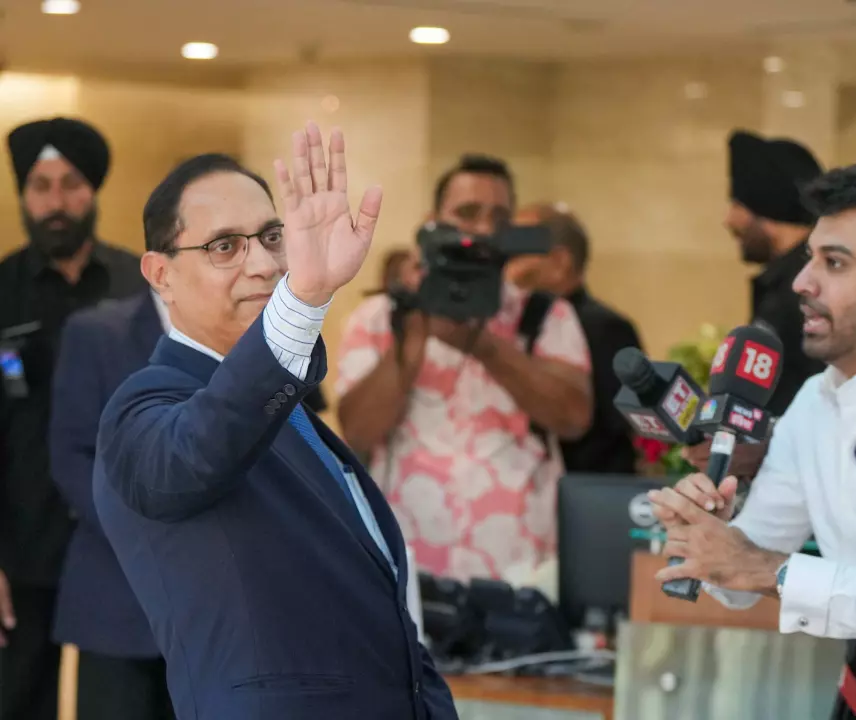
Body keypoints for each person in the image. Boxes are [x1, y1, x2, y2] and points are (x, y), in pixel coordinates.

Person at [93, 133, 457, 720]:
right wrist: (304, 301)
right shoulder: (146, 408)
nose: (264, 265)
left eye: (270, 237)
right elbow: (202, 447)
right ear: (161, 274)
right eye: (224, 246)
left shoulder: (287, 410)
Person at [648, 162, 856, 715]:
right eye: (809, 257)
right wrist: (709, 535)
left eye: (834, 263)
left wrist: (770, 570)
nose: (802, 282)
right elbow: (741, 577)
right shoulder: (814, 398)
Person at [335, 154, 591, 583]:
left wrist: (482, 344)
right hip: (408, 566)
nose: (484, 229)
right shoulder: (380, 317)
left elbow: (573, 417)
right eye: (467, 213)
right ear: (431, 223)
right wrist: (413, 335)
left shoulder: (547, 315)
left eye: (499, 218)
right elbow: (358, 432)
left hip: (520, 567)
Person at [0, 116, 147, 720]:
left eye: (70, 185)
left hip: (121, 547)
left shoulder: (141, 286)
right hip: (20, 550)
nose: (55, 202)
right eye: (40, 186)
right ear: (23, 196)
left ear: (93, 191)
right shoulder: (2, 290)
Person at [49, 291, 174, 720]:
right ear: (161, 266)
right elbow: (70, 454)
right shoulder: (97, 332)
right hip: (119, 599)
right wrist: (145, 532)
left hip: (226, 620)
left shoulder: (255, 328)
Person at [507, 202, 643, 474]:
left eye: (517, 252)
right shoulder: (509, 325)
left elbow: (616, 430)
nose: (505, 265)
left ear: (560, 261)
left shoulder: (605, 328)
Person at [723, 129, 827, 416]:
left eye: (737, 205)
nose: (728, 220)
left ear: (766, 209)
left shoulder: (805, 288)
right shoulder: (784, 282)